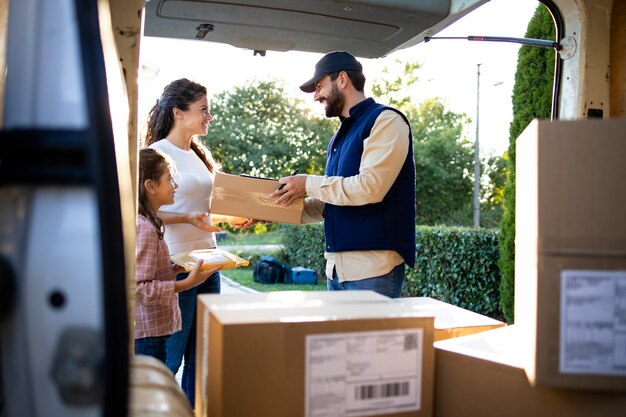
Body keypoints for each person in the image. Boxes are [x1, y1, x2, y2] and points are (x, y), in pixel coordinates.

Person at [271, 51, 416, 298]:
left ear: (341, 79)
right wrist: (275, 209)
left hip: (373, 272)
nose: (316, 96)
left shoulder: (386, 121)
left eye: (319, 86)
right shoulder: (339, 136)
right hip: (336, 273)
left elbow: (370, 188)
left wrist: (307, 182)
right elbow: (334, 202)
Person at [145, 78, 250, 406]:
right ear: (178, 112)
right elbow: (143, 214)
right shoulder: (154, 154)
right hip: (178, 265)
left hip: (210, 262)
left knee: (202, 359)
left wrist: (226, 219)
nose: (209, 116)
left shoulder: (197, 155)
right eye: (203, 109)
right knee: (172, 359)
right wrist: (188, 219)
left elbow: (198, 211)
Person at [135, 148, 220, 364]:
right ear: (150, 186)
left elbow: (148, 273)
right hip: (148, 336)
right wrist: (185, 284)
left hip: (155, 331)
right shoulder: (144, 227)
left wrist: (175, 269)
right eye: (170, 179)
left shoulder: (149, 221)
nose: (176, 185)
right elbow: (139, 288)